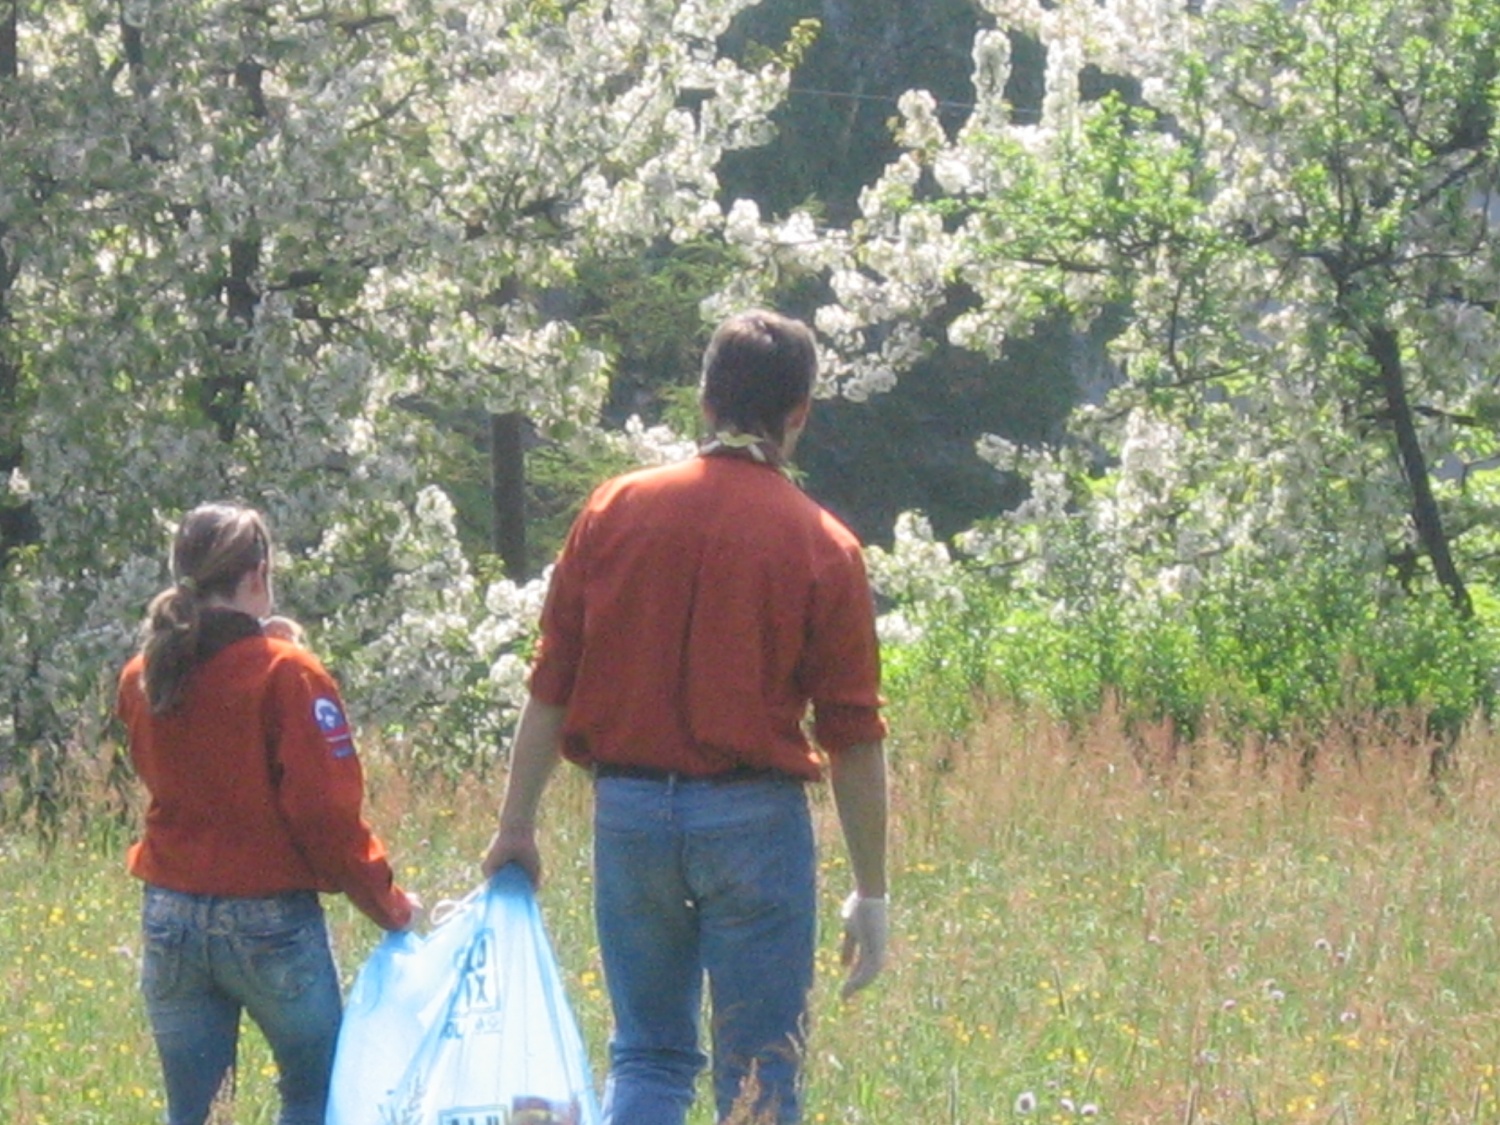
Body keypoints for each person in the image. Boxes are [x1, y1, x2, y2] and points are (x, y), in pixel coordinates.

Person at [482, 310, 890, 1125]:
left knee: (648, 1055)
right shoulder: (823, 545)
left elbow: (551, 681)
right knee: (760, 1072)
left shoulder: (613, 509)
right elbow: (852, 735)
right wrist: (870, 890)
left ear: (704, 401)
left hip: (629, 813)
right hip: (753, 820)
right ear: (799, 412)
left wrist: (516, 823)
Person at [117, 502, 418, 1125]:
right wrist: (388, 904)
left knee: (193, 1115)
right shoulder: (289, 673)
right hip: (269, 921)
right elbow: (325, 814)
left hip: (169, 913)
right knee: (315, 1097)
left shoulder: (143, 676)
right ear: (258, 575)